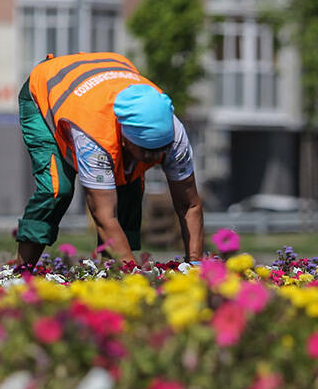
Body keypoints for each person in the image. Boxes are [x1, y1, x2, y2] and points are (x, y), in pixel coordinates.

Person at [15, 52, 205, 267]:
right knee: (58, 190)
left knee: (130, 186)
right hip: (47, 88)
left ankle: (111, 273)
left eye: (160, 150)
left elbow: (189, 204)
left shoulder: (175, 135)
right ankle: (20, 272)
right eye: (145, 151)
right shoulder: (94, 136)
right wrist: (135, 276)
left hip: (107, 74)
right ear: (124, 138)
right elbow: (103, 216)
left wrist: (195, 265)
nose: (153, 158)